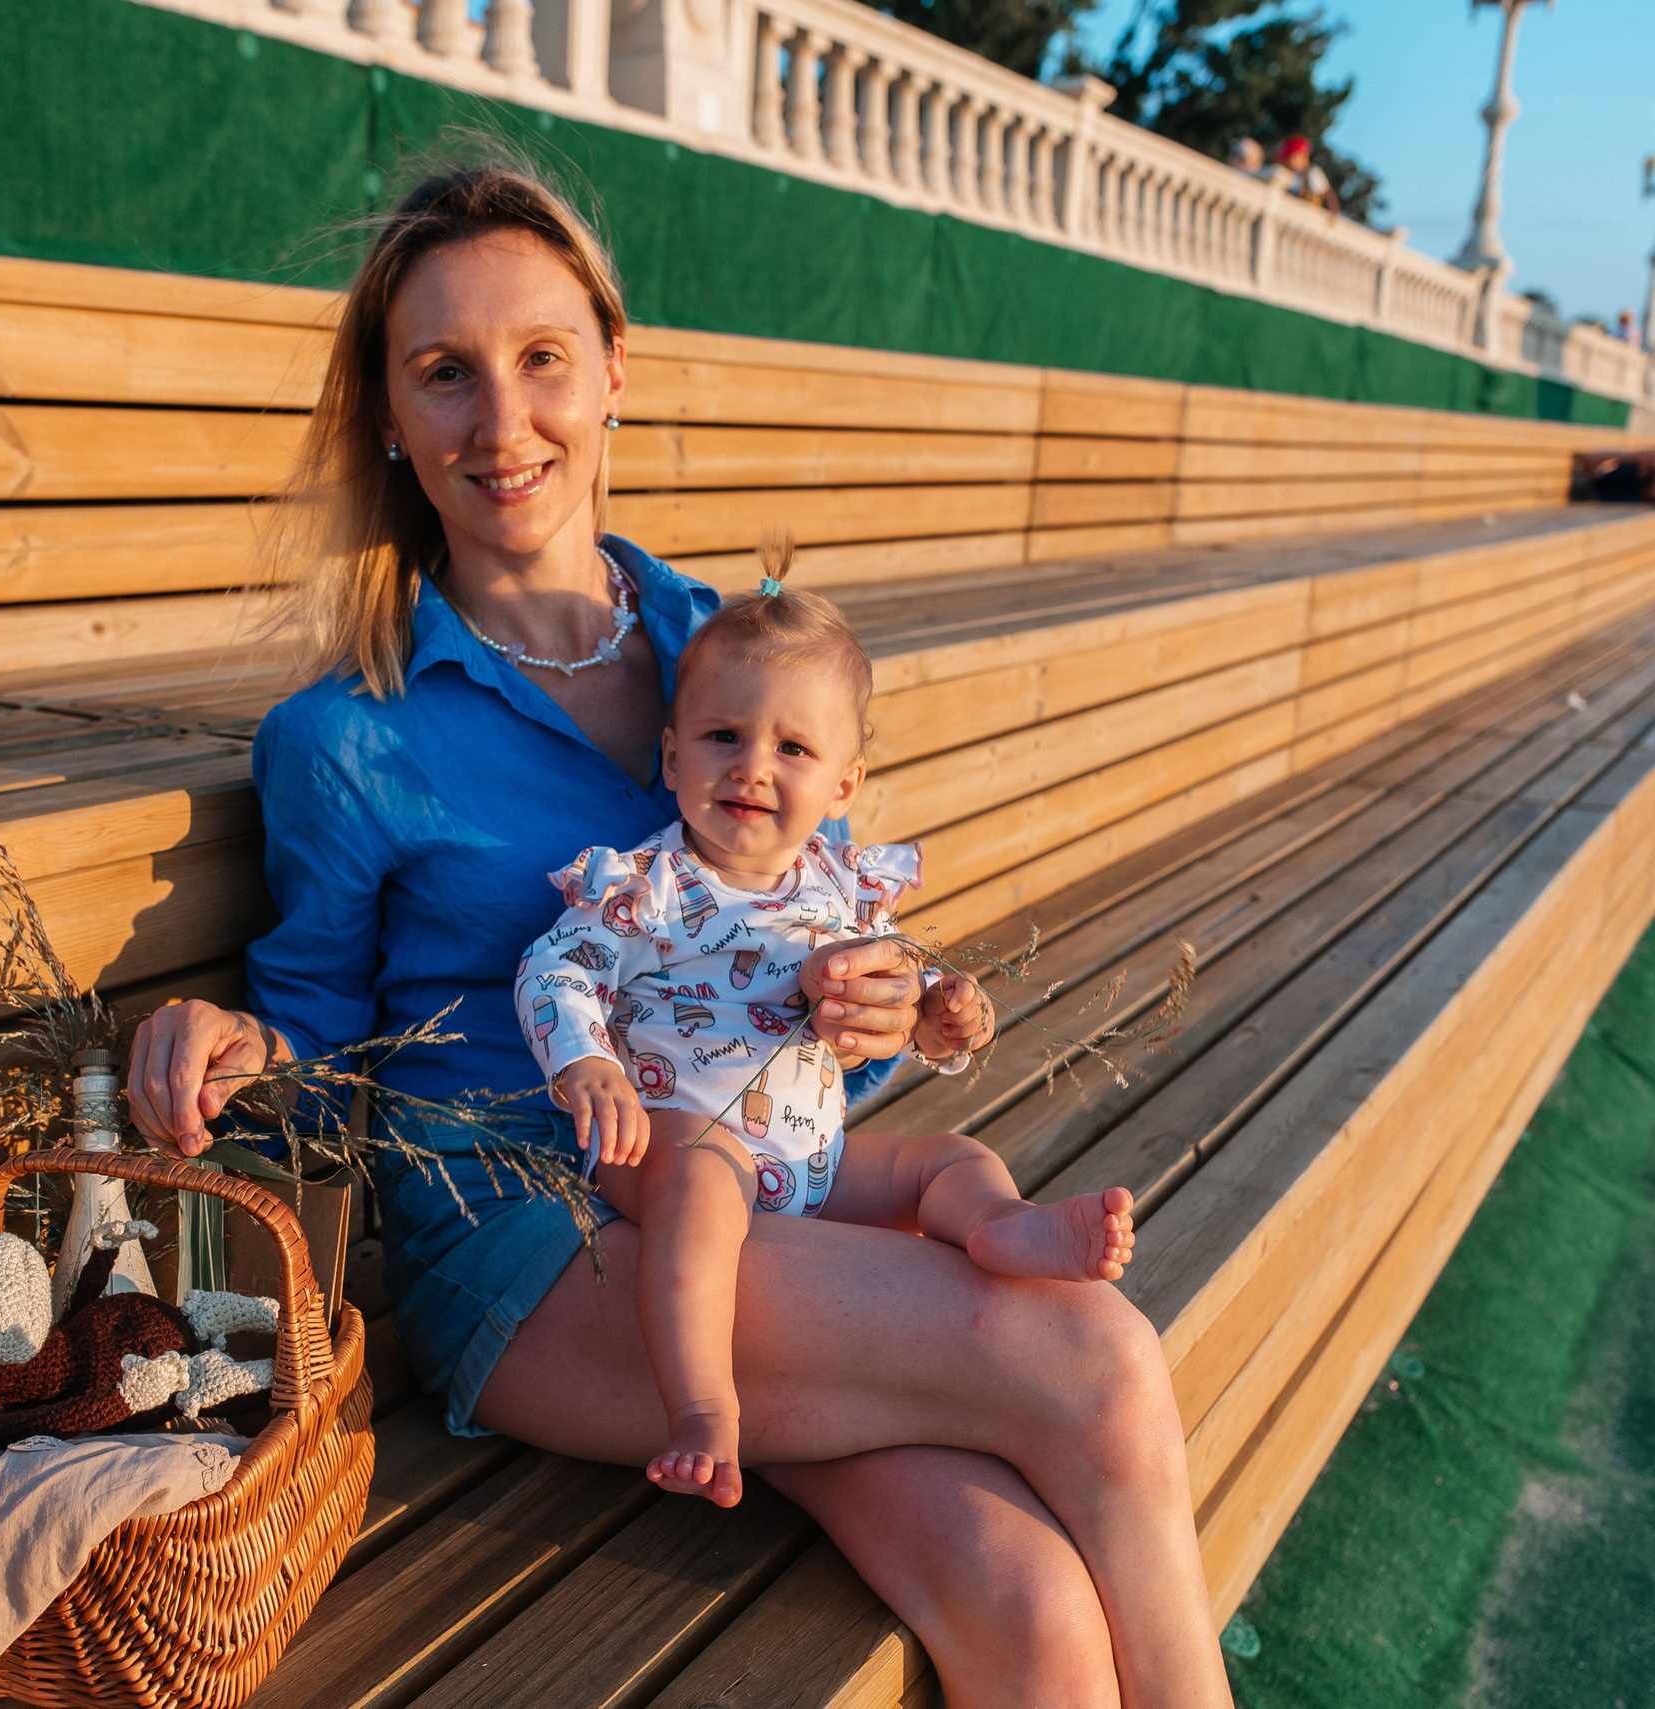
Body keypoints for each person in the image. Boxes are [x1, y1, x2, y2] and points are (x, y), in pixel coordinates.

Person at [125, 158, 1233, 1707]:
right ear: (387, 414)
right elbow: (317, 1050)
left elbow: (816, 916)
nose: (501, 423)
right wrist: (229, 1045)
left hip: (765, 1191)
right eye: (443, 374)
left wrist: (874, 1000)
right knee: (1098, 1357)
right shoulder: (351, 734)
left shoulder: (725, 645)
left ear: (613, 374)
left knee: (1032, 1609)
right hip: (539, 1244)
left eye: (540, 360)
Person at [514, 584, 1135, 1511]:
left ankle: (1002, 1224)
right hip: (678, 1141)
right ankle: (702, 1406)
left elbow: (898, 999)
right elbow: (553, 970)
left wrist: (940, 1014)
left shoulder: (842, 891)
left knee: (946, 1158)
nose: (753, 768)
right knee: (696, 1191)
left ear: (843, 784)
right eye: (723, 738)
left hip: (813, 1160)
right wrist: (587, 1062)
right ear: (674, 756)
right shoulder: (649, 888)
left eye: (793, 748)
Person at [1275, 136, 1339, 215]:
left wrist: (1333, 214)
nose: (1290, 162)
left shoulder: (1312, 173)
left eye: (1294, 157)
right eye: (1287, 159)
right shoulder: (1286, 174)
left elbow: (1328, 195)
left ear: (1304, 156)